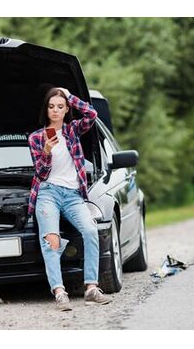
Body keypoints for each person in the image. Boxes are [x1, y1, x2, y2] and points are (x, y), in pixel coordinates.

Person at [27, 87, 112, 311]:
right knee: (51, 241)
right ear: (46, 110)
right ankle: (59, 292)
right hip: (48, 193)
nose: (55, 110)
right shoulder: (36, 137)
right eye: (51, 106)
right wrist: (46, 151)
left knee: (91, 231)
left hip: (73, 195)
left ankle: (91, 288)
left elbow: (92, 115)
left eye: (60, 107)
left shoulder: (73, 130)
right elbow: (41, 172)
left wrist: (69, 95)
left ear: (66, 110)